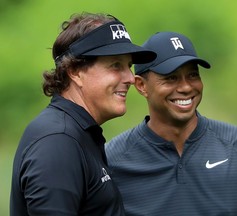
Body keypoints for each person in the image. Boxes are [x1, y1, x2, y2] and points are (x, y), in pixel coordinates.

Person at [105, 31, 237, 215]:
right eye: (171, 78)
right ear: (141, 86)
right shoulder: (112, 160)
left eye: (193, 75)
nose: (186, 87)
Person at [10, 12, 156, 215]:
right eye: (116, 65)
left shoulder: (76, 133)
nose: (131, 78)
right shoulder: (58, 141)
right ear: (75, 71)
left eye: (128, 66)